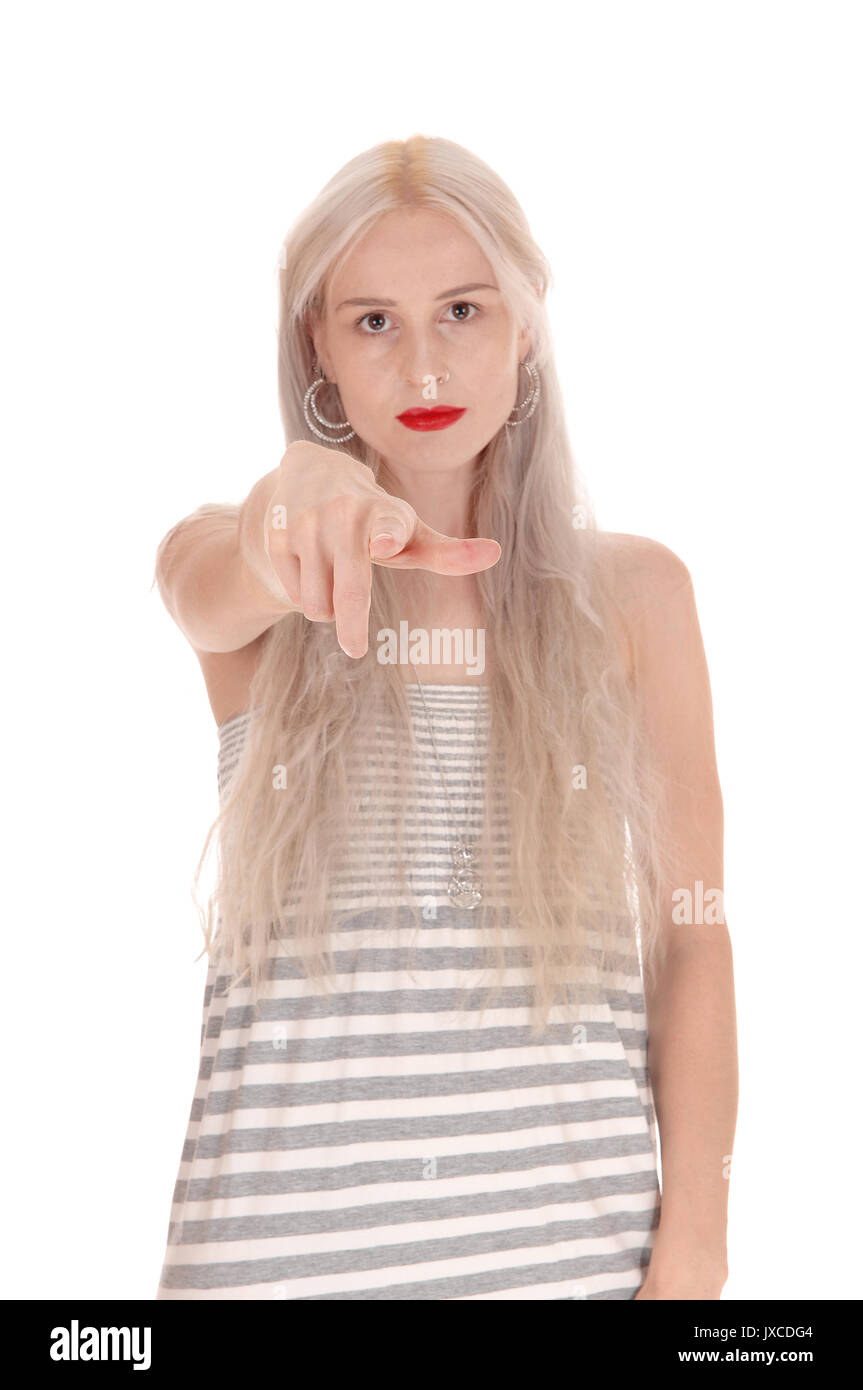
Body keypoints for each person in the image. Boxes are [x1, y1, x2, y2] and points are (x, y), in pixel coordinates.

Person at [152, 134, 737, 1300]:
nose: (423, 366)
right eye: (372, 321)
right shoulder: (254, 572)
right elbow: (205, 579)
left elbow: (691, 936)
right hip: (272, 1270)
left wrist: (694, 1254)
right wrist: (290, 507)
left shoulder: (636, 599)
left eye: (461, 309)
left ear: (524, 328)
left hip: (572, 1265)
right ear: (315, 341)